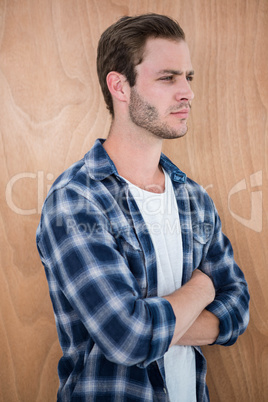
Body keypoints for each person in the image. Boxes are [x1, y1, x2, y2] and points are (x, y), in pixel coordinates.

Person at [36, 13, 250, 401]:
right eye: (168, 78)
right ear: (119, 85)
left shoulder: (193, 198)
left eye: (189, 77)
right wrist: (203, 288)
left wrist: (149, 323)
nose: (187, 92)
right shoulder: (77, 200)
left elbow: (238, 309)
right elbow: (128, 340)